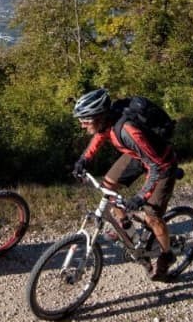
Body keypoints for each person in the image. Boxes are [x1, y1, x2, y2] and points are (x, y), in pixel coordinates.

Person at [71, 88, 179, 280]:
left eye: (85, 120)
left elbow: (155, 167)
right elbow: (100, 135)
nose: (82, 125)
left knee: (152, 216)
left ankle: (167, 255)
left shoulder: (128, 131)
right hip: (137, 156)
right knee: (108, 185)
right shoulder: (108, 122)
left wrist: (141, 197)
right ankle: (126, 227)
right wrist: (84, 159)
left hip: (161, 165)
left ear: (99, 116)